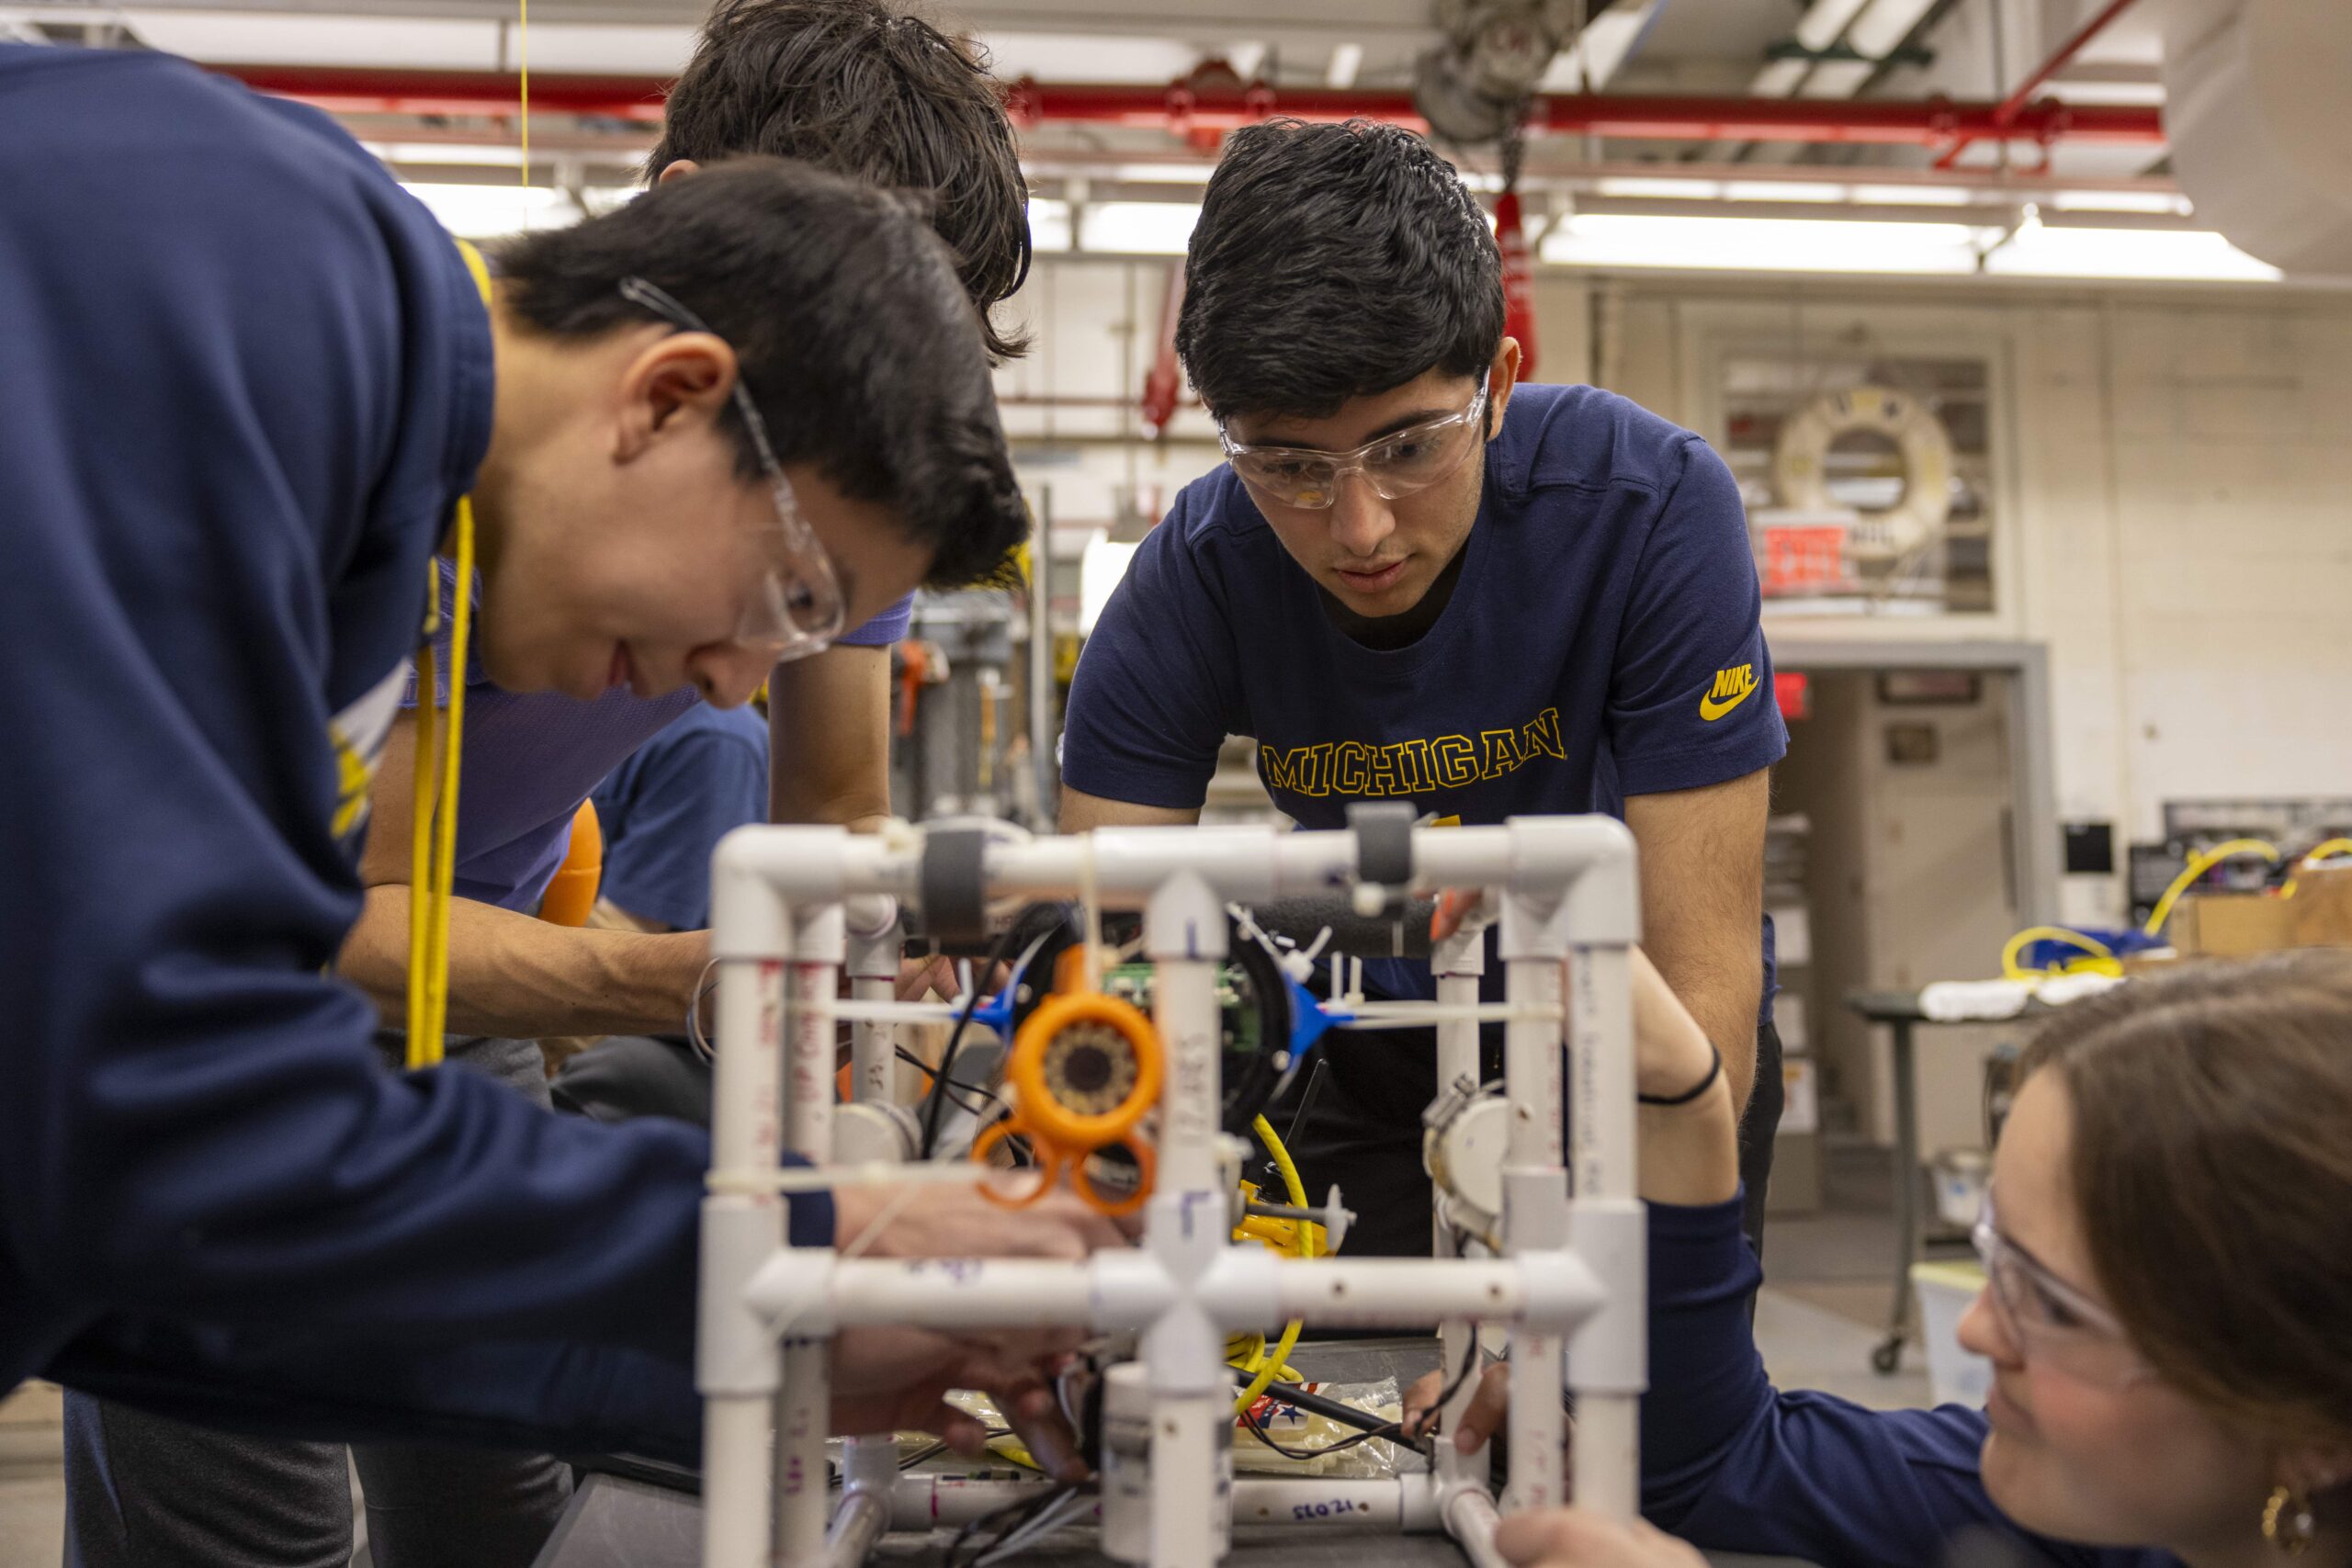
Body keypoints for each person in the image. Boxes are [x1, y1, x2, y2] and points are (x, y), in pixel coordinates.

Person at [1, 40, 1113, 1568]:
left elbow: (151, 1232)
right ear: (670, 392)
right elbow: (150, 1102)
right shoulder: (246, 278)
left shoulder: (379, 512)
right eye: (783, 598)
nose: (736, 687)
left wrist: (763, 1327)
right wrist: (768, 1257)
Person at [1058, 118, 1788, 1260]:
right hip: (1378, 1044)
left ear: (1497, 383)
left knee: (1633, 1423)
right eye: (1291, 467)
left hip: (1638, 1035)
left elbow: (1703, 988)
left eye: (1407, 449)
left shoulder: (1645, 509)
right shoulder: (1193, 576)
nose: (1358, 529)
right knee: (1339, 1410)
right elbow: (1093, 964)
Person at [1411, 953, 2352, 1568]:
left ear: (2314, 1432)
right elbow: (1722, 1469)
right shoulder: (2129, 1515)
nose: (1978, 1325)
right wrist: (1687, 1103)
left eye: (2052, 1304)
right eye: (1995, 1260)